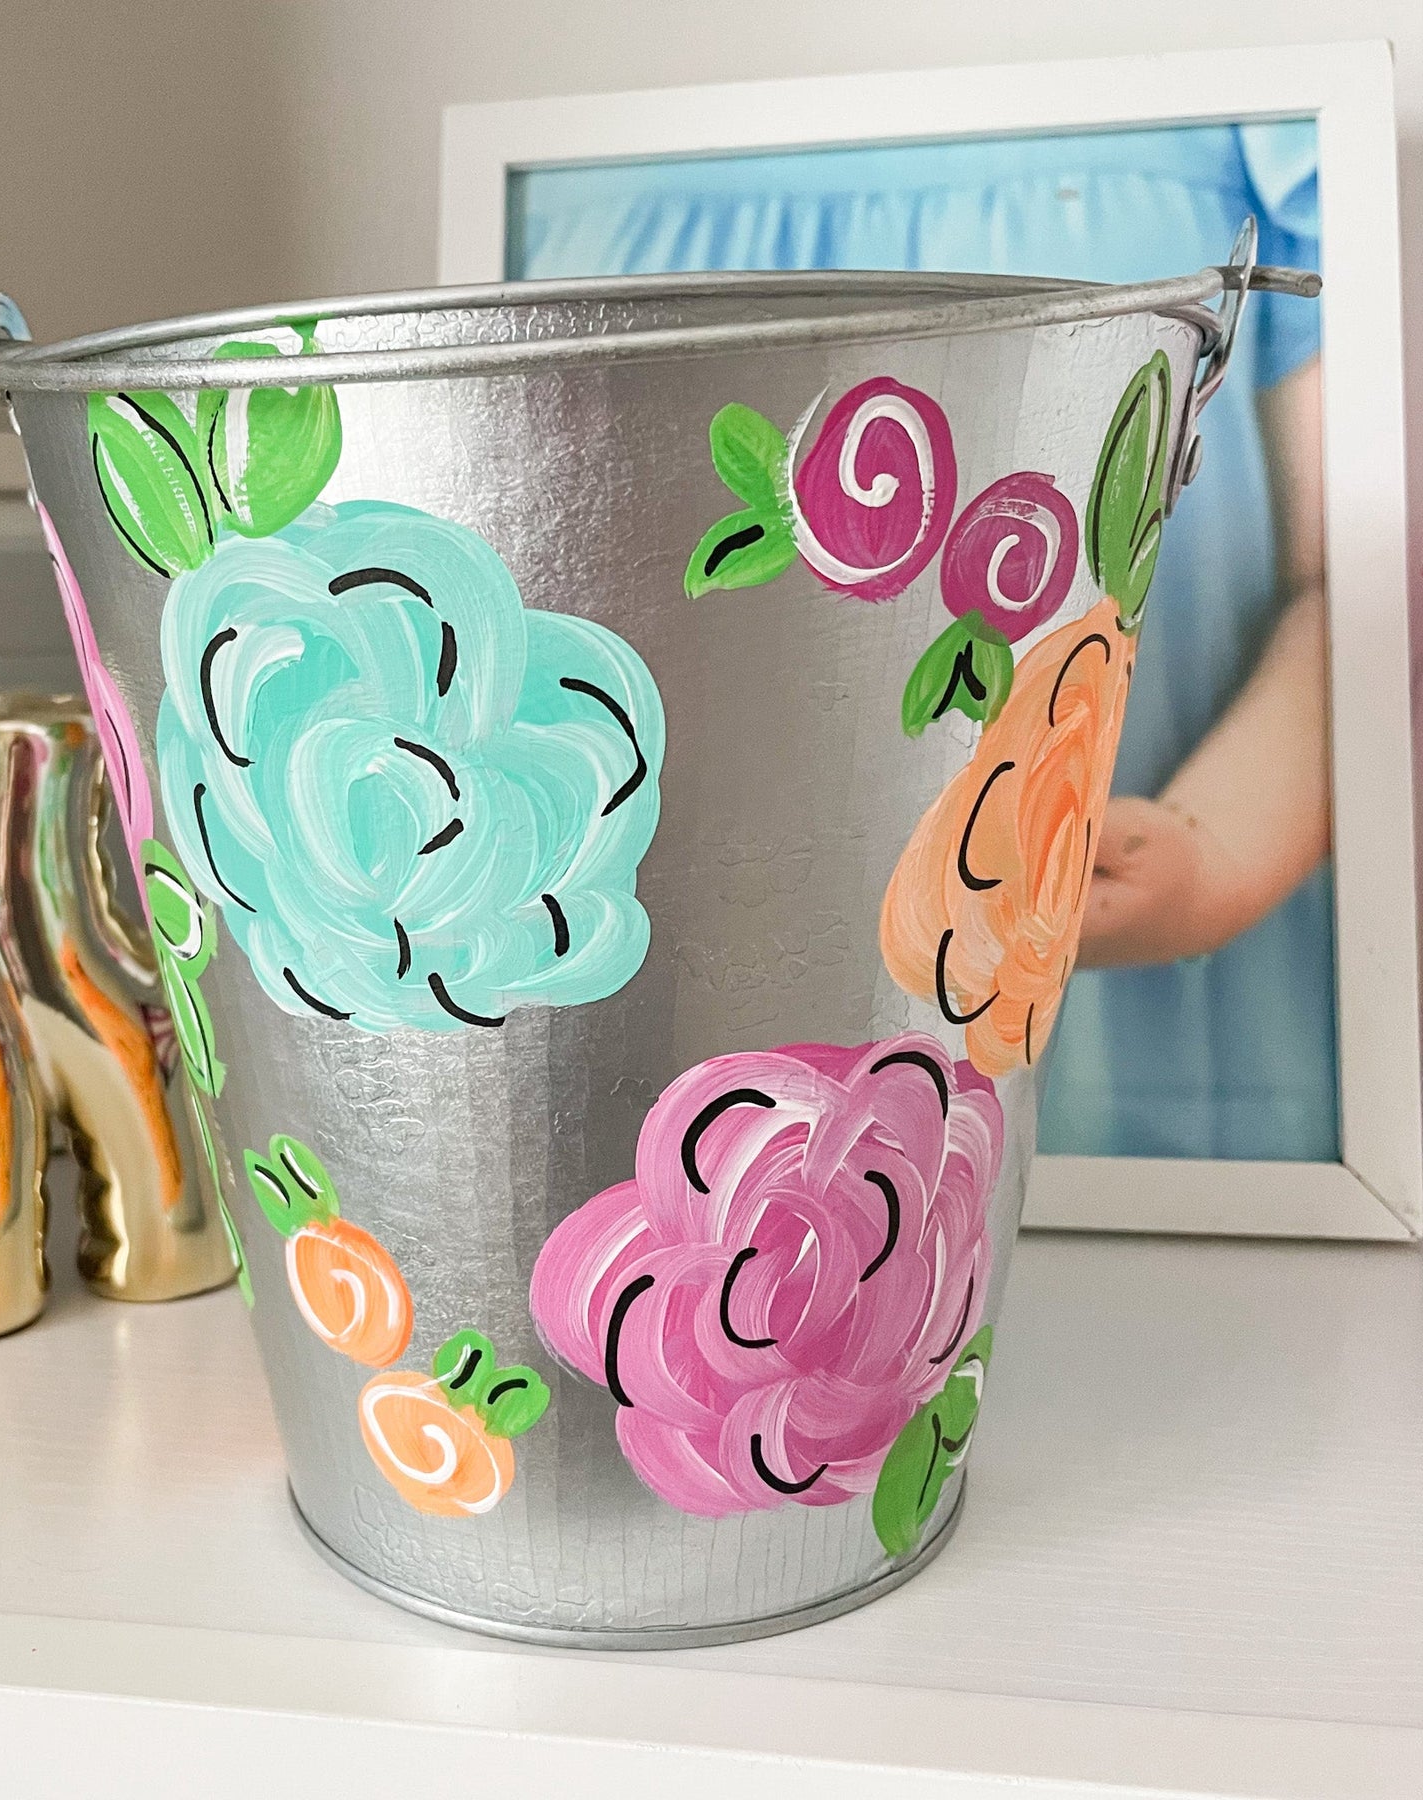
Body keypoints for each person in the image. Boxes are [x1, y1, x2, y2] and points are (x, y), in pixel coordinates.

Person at [511, 121, 1335, 1161]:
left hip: (1149, 1031)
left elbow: (1353, 579)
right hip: (670, 1037)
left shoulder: (1268, 122)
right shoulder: (521, 103)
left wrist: (1212, 854)